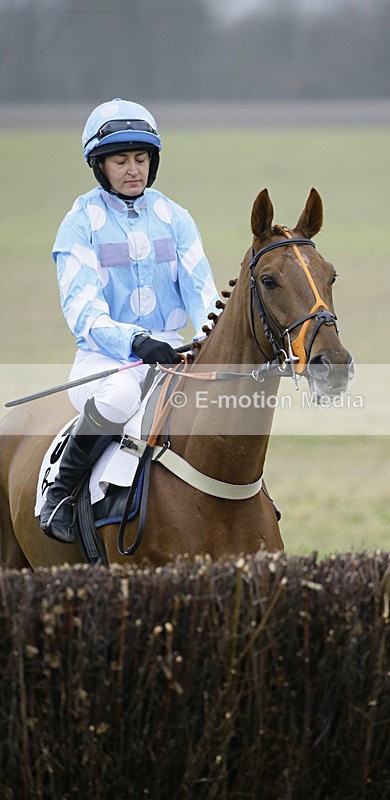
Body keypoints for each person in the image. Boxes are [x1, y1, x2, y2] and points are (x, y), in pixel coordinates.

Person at [40, 98, 220, 544]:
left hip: (172, 353)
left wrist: (210, 342)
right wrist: (136, 342)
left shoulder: (176, 218)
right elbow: (83, 313)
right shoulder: (78, 224)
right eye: (120, 161)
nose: (133, 169)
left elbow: (204, 296)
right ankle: (61, 493)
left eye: (141, 158)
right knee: (122, 393)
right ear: (100, 166)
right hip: (105, 360)